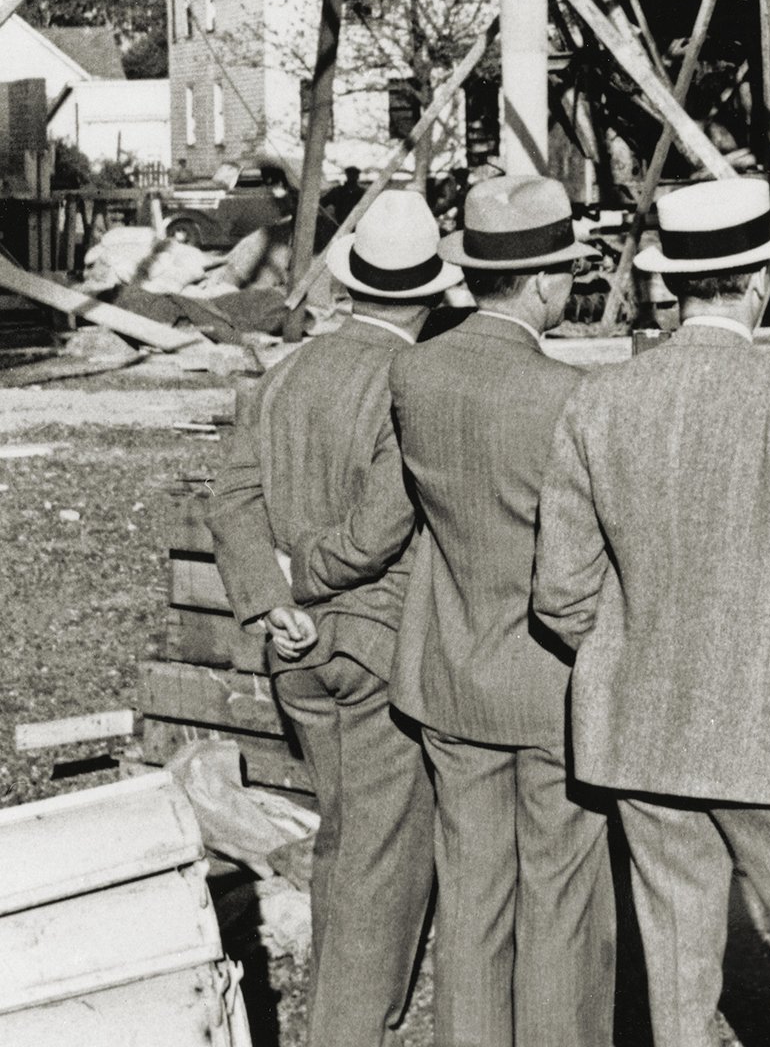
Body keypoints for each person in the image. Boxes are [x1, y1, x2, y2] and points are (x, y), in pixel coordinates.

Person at [534, 177, 770, 1047]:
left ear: (671, 285)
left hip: (642, 732)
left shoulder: (596, 401)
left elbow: (559, 591)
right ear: (762, 281)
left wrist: (629, 653)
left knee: (676, 961)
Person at [208, 189, 461, 1047]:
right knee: (376, 861)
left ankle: (353, 1020)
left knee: (345, 840)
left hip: (294, 651)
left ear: (351, 285)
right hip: (372, 645)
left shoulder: (281, 377)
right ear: (429, 296)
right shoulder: (408, 381)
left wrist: (272, 598)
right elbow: (380, 531)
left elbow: (233, 503)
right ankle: (349, 1031)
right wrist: (312, 588)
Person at [389, 174, 615, 1047]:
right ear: (545, 283)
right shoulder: (570, 395)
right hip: (553, 686)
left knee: (474, 901)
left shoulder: (415, 372)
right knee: (559, 904)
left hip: (451, 676)